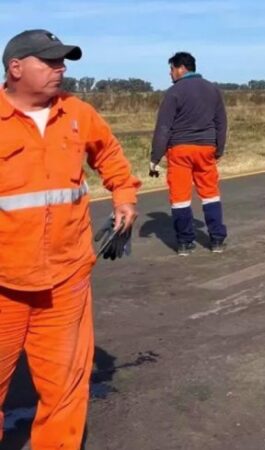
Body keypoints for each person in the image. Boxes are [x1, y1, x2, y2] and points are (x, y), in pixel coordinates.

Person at [0, 29, 140, 448]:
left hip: (66, 279)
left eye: (63, 61)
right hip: (4, 282)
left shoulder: (77, 112)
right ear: (16, 67)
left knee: (64, 390)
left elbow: (110, 155)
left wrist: (125, 195)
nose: (61, 69)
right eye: (50, 61)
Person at [150, 52, 228, 256]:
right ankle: (217, 240)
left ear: (181, 68)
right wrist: (219, 148)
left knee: (180, 198)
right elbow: (221, 123)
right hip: (206, 148)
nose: (170, 73)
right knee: (210, 194)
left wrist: (155, 157)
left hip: (180, 150)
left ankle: (185, 242)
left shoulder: (174, 92)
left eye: (171, 69)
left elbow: (164, 127)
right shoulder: (213, 89)